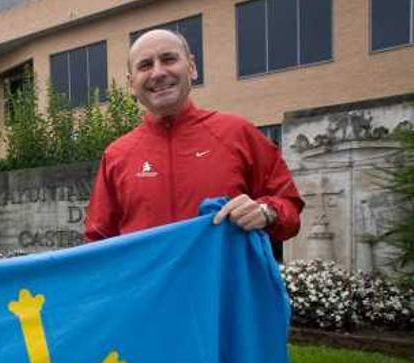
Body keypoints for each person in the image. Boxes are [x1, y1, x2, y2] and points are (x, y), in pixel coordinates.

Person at [85, 29, 304, 243]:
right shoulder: (116, 155)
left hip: (223, 280)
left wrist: (267, 212)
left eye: (168, 59)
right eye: (145, 65)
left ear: (192, 68)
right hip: (149, 281)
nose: (158, 72)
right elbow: (97, 241)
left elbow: (290, 207)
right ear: (131, 84)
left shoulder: (238, 133)